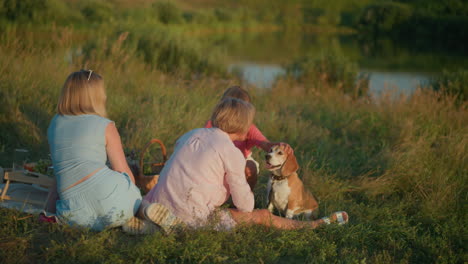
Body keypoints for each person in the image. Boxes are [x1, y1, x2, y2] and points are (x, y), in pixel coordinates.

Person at [144, 97, 348, 231]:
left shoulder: (191, 134)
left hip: (159, 200)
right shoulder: (230, 151)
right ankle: (313, 225)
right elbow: (245, 205)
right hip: (193, 214)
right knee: (262, 215)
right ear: (244, 128)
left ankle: (149, 221)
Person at [46, 70, 181, 233]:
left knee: (90, 211)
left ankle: (127, 221)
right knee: (129, 193)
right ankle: (143, 211)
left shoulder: (54, 124)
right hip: (111, 197)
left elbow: (59, 172)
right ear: (97, 97)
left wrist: (49, 208)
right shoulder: (105, 125)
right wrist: (135, 193)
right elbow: (122, 169)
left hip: (76, 213)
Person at [205, 86, 291, 191]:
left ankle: (246, 195)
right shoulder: (212, 124)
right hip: (217, 161)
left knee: (250, 167)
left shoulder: (248, 128)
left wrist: (280, 146)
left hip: (241, 161)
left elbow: (265, 144)